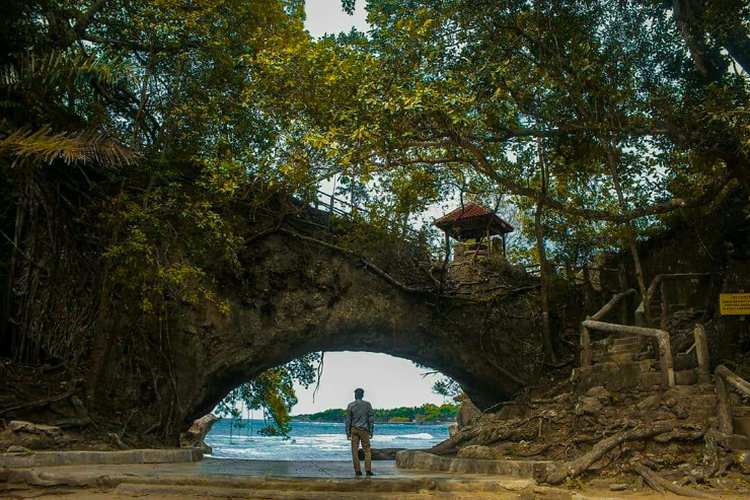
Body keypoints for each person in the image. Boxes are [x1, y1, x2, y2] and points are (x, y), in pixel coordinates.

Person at [345, 387, 375, 476]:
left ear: (355, 395)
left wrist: (347, 432)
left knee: (354, 450)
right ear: (362, 395)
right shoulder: (367, 405)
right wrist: (371, 431)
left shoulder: (350, 405)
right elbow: (371, 419)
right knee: (367, 450)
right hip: (365, 430)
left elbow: (348, 420)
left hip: (354, 429)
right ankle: (368, 470)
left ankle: (357, 471)